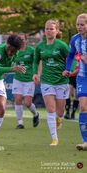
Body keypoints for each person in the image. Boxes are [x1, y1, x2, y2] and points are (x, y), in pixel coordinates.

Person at [33, 19, 69, 146]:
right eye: (47, 29)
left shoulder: (62, 45)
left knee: (60, 111)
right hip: (47, 81)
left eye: (51, 29)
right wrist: (35, 74)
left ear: (57, 31)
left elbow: (71, 58)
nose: (48, 31)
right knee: (50, 109)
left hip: (61, 81)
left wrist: (69, 69)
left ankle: (59, 119)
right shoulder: (40, 47)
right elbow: (35, 61)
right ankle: (54, 138)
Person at [63, 13, 87, 151]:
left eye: (82, 25)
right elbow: (71, 54)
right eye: (78, 24)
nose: (79, 27)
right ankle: (85, 141)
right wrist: (67, 69)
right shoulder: (75, 39)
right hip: (82, 78)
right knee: (83, 107)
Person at [12, 33, 39, 129]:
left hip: (29, 79)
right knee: (18, 99)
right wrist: (7, 69)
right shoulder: (15, 51)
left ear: (26, 40)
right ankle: (20, 123)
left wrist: (37, 75)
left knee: (27, 103)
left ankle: (35, 114)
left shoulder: (31, 50)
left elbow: (37, 62)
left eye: (23, 39)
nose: (21, 40)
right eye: (19, 39)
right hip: (18, 79)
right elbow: (11, 61)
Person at [64, 53, 80, 120]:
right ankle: (67, 112)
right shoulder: (69, 55)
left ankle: (73, 113)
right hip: (69, 77)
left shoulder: (79, 56)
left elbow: (80, 67)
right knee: (68, 93)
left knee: (76, 96)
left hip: (77, 77)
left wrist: (72, 73)